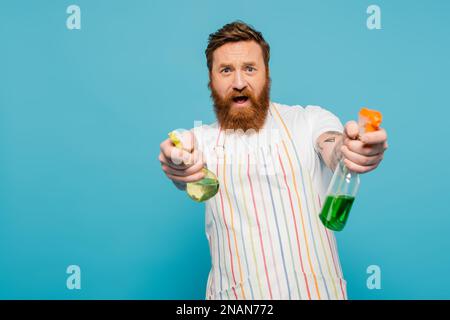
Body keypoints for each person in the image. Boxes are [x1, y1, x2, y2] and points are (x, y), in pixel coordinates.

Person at [158, 21, 388, 300]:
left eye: (250, 68)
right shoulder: (201, 141)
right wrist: (178, 162)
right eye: (226, 70)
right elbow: (183, 157)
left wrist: (349, 149)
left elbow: (332, 145)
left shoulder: (309, 120)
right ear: (211, 80)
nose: (239, 82)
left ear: (266, 75)